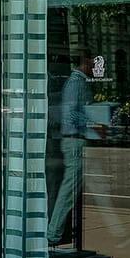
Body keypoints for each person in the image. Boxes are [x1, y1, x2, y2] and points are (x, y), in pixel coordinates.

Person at [48, 48, 93, 246]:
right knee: (70, 189)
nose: (96, 66)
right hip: (74, 139)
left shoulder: (77, 81)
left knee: (72, 187)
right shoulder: (76, 82)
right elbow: (71, 113)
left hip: (74, 139)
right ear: (85, 60)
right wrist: (93, 121)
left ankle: (55, 232)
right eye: (93, 61)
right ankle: (53, 233)